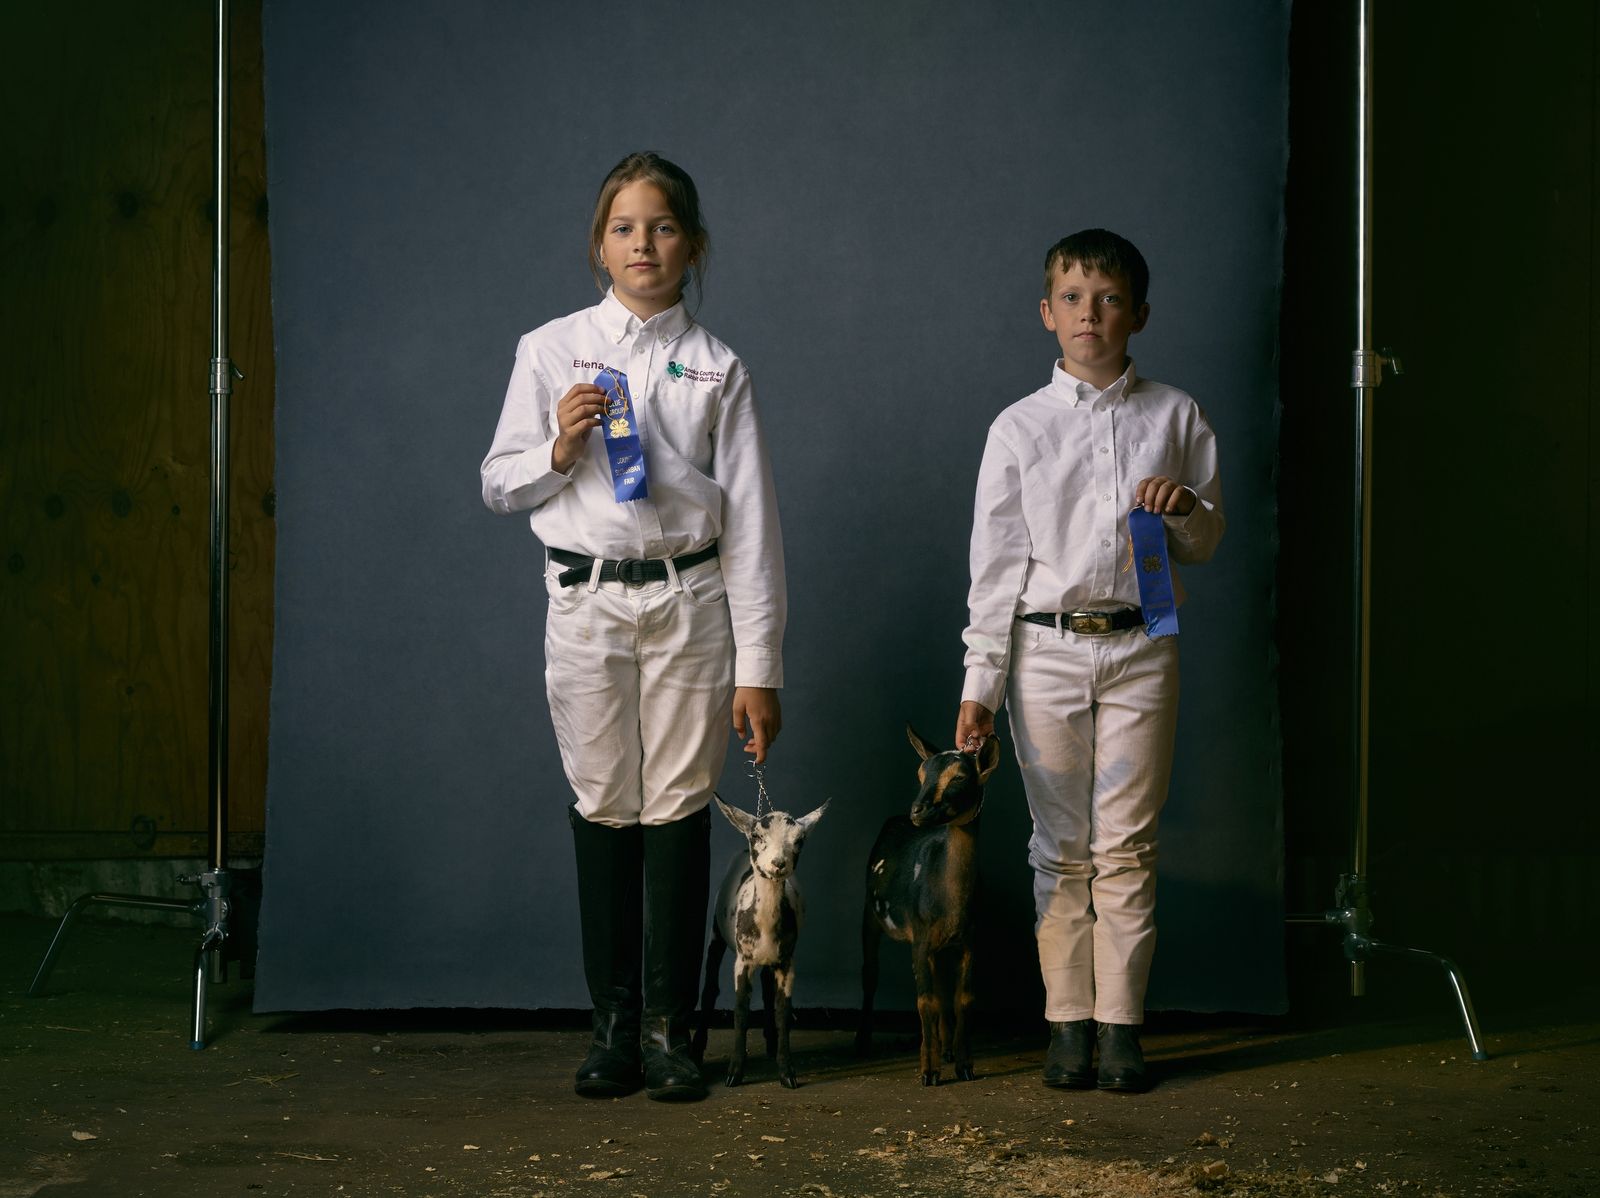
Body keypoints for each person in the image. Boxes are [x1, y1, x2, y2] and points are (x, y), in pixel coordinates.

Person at [481, 152, 785, 1103]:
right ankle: (612, 1027)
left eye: (662, 227)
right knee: (604, 800)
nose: (642, 243)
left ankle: (671, 1032)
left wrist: (759, 665)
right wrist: (560, 447)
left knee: (679, 803)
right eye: (624, 227)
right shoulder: (550, 348)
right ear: (597, 245)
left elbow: (753, 525)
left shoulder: (718, 366)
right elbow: (498, 482)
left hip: (689, 604)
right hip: (586, 604)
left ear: (692, 246)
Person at [953, 228, 1223, 1093]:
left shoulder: (1175, 415)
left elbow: (1207, 539)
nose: (1090, 315)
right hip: (1045, 653)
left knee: (1127, 845)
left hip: (1143, 646)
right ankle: (1067, 1022)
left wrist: (1183, 509)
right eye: (1072, 298)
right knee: (1061, 845)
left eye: (1108, 299)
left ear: (1138, 313)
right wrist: (979, 690)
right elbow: (994, 570)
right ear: (1046, 314)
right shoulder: (1019, 428)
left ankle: (1122, 1028)